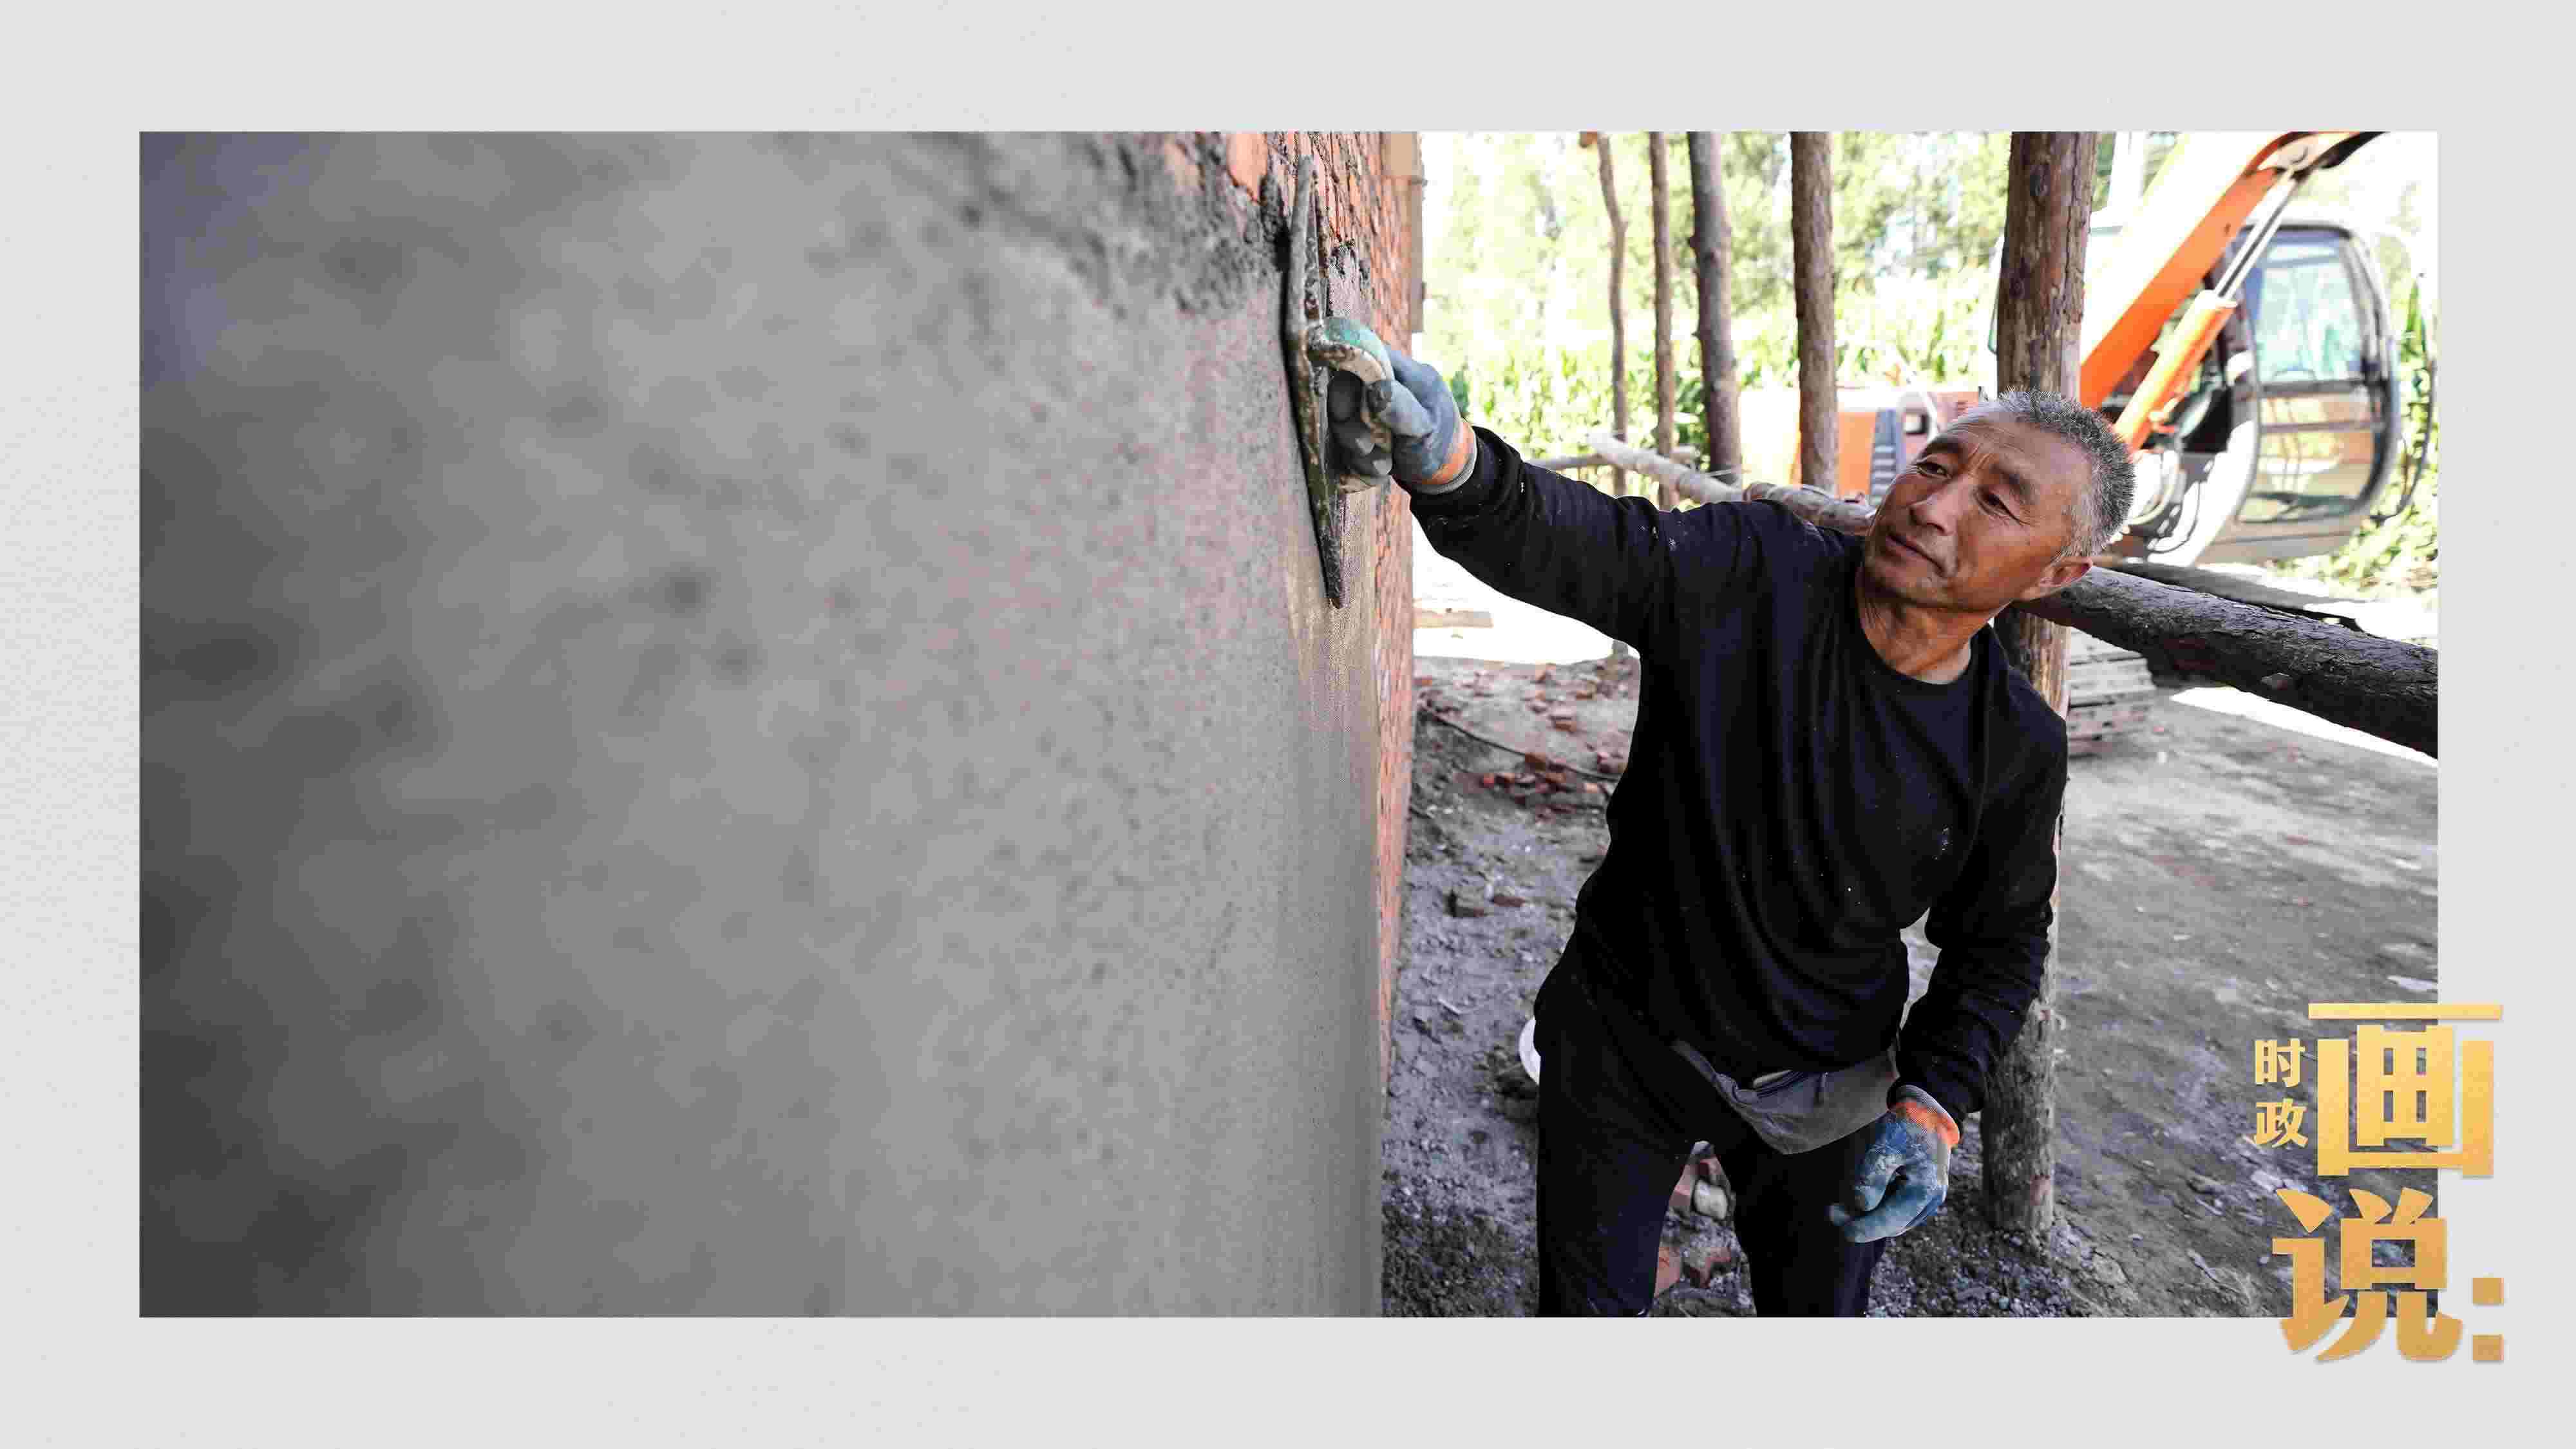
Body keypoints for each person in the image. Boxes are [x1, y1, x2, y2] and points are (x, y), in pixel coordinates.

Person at [1327, 346, 2134, 1316]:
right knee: (1584, 1311)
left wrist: (1931, 1101)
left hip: (1826, 1083)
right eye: (1934, 465)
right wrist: (1458, 466)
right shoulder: (1758, 569)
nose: (1933, 504)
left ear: (2058, 571)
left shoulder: (2014, 744)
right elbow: (1590, 544)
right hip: (1627, 1029)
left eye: (1995, 503)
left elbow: (1999, 944)